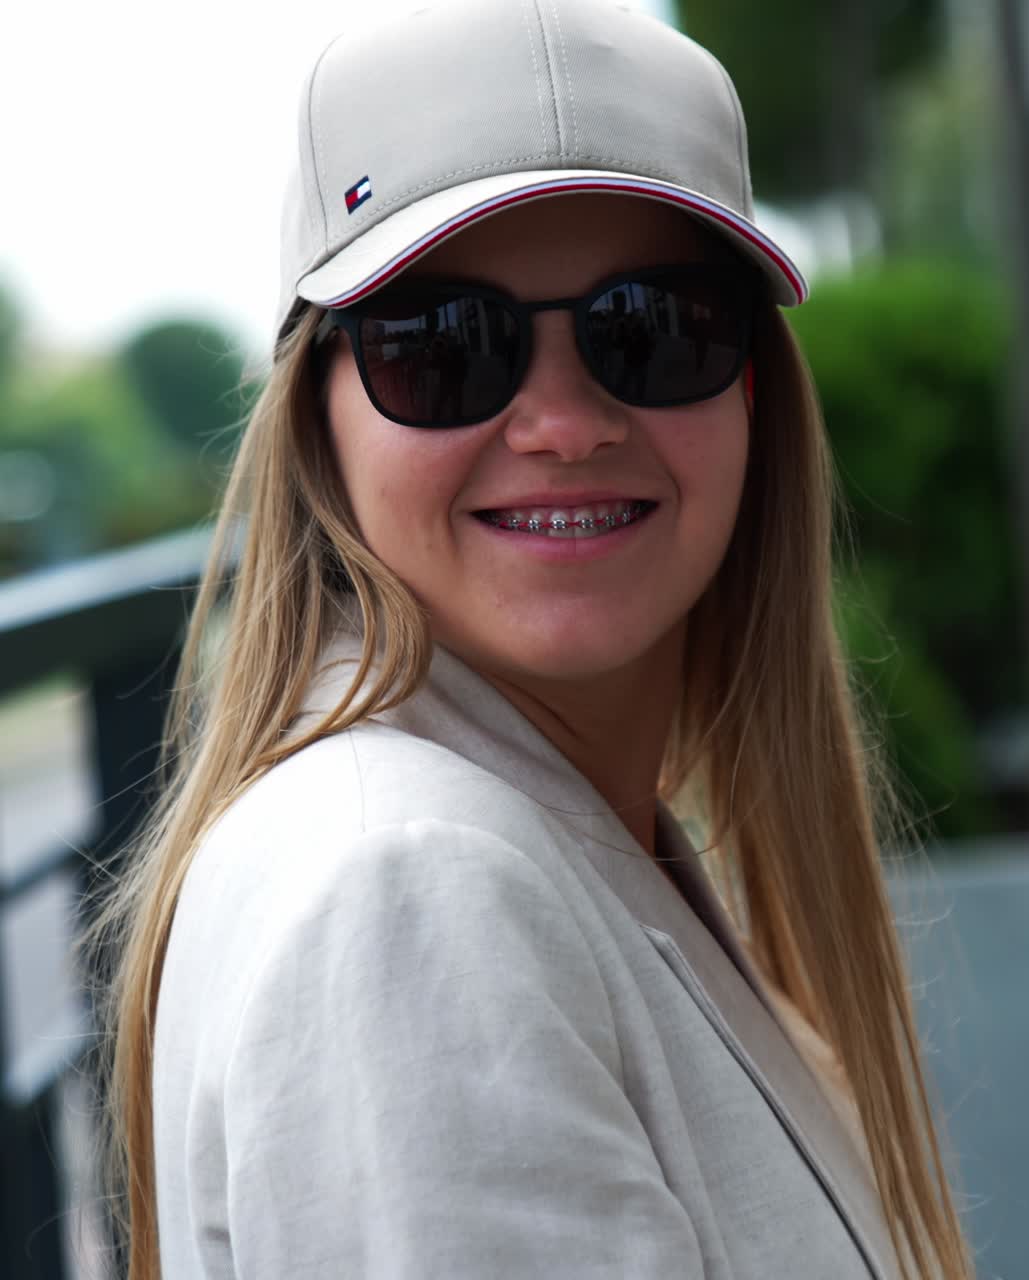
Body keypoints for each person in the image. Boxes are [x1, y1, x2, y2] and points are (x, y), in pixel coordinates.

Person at [92, 2, 975, 1277]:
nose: (563, 422)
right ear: (318, 416)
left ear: (751, 387)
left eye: (652, 326)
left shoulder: (537, 829)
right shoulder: (406, 896)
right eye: (442, 345)